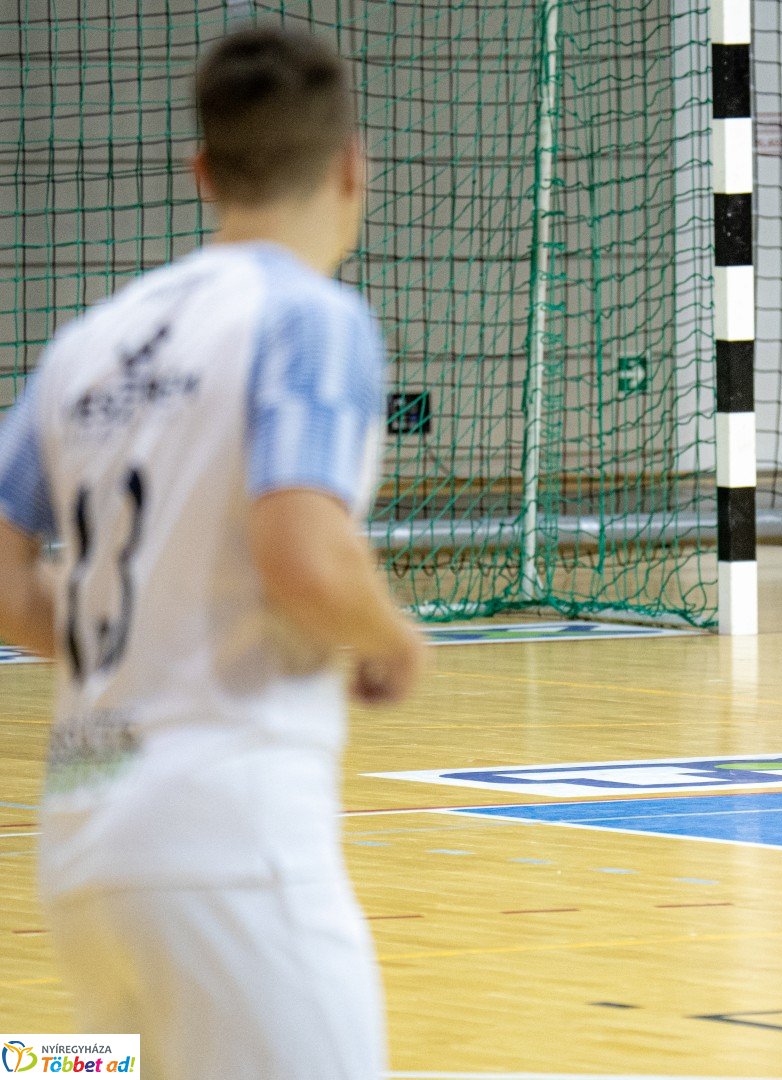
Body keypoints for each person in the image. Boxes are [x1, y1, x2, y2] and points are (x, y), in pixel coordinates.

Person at [0, 26, 425, 1080]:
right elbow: (304, 557)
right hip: (229, 842)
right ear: (350, 167)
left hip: (83, 839)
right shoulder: (310, 320)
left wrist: (126, 641)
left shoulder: (87, 342)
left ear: (202, 172)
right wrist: (391, 639)